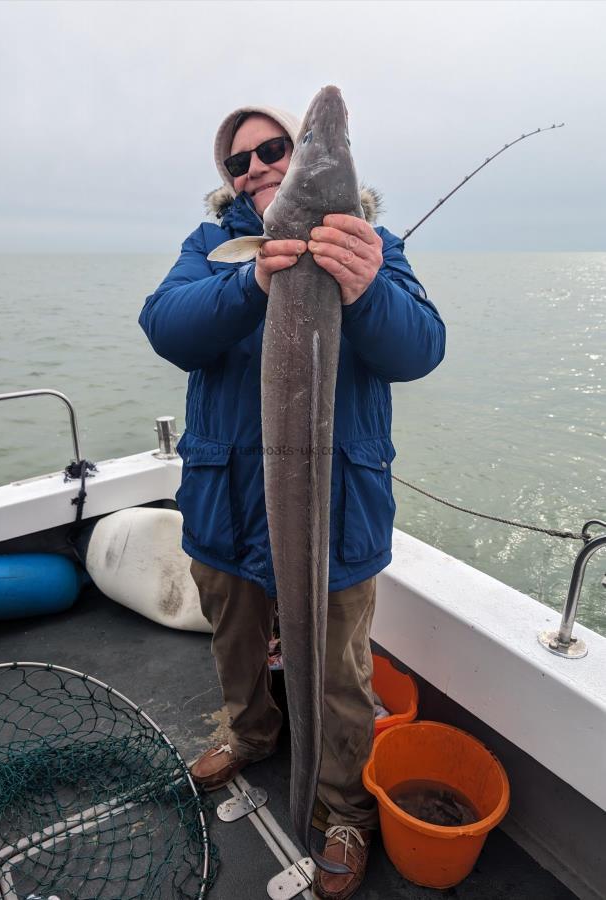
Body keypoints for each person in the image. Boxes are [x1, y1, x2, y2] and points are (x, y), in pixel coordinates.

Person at [139, 103, 446, 900]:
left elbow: (421, 347)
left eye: (274, 148)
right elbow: (167, 326)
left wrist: (366, 286)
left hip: (334, 507)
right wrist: (251, 279)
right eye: (239, 162)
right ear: (231, 183)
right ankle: (251, 733)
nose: (258, 166)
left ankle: (342, 807)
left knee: (339, 669)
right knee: (235, 642)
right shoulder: (211, 246)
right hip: (228, 500)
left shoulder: (378, 245)